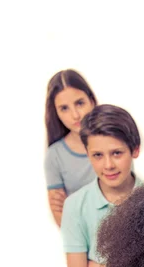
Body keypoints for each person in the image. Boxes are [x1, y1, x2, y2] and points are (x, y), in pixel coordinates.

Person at [60, 104, 142, 267]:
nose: (108, 165)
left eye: (117, 153)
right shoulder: (75, 206)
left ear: (135, 150)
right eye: (97, 155)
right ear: (87, 154)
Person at [44, 69, 97, 226]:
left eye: (79, 103)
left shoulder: (113, 140)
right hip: (83, 240)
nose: (75, 115)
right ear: (56, 113)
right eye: (64, 108)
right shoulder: (55, 155)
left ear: (91, 101)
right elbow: (60, 215)